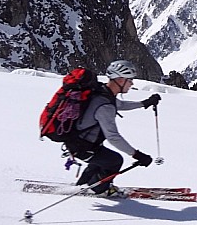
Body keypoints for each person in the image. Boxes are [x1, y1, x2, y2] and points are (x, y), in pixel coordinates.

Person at [65, 60, 161, 195]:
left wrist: (145, 103)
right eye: (130, 80)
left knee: (103, 158)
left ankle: (82, 185)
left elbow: (120, 105)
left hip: (80, 143)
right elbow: (113, 137)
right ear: (121, 80)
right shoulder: (105, 106)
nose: (132, 84)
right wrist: (137, 155)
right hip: (82, 147)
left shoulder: (103, 92)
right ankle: (97, 189)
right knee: (115, 161)